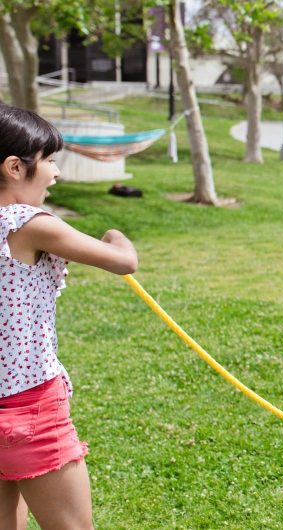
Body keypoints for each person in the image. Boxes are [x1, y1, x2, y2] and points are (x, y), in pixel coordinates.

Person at [0, 105, 138, 529]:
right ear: (14, 166)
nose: (56, 172)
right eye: (50, 160)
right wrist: (116, 235)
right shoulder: (25, 222)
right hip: (29, 408)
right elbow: (122, 261)